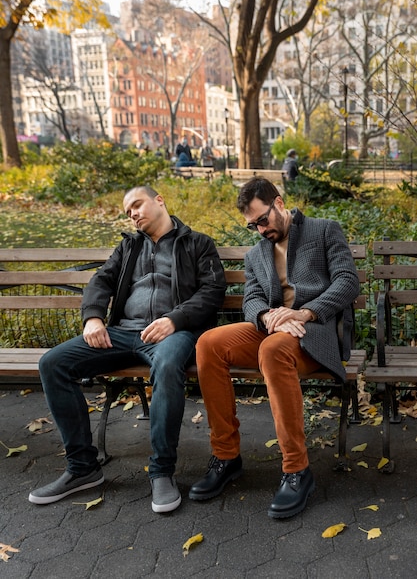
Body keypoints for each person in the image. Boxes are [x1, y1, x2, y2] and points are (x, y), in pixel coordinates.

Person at [29, 186, 226, 513]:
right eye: (127, 211)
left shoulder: (197, 243)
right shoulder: (128, 246)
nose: (133, 213)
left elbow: (212, 291)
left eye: (137, 205)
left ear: (160, 200)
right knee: (53, 363)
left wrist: (174, 320)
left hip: (172, 334)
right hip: (122, 333)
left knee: (166, 366)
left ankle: (162, 470)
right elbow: (101, 281)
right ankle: (83, 469)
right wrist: (93, 318)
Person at [189, 177, 360, 519]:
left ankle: (297, 469)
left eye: (262, 220)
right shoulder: (256, 254)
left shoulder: (325, 230)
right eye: (252, 225)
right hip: (275, 329)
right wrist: (268, 317)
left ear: (279, 204)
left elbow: (348, 281)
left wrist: (305, 311)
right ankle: (226, 456)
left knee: (272, 351)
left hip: (316, 331)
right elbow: (252, 298)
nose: (260, 229)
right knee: (209, 342)